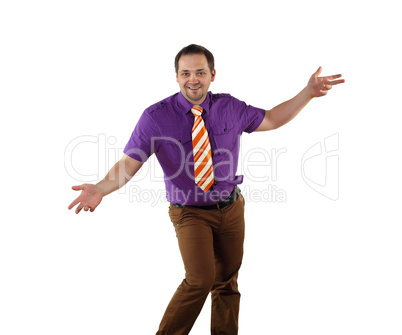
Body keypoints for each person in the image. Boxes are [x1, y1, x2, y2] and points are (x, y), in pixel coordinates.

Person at [68, 44, 344, 334]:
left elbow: (272, 118)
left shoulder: (230, 107)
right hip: (189, 213)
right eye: (186, 73)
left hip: (231, 207)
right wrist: (100, 188)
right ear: (176, 76)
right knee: (200, 279)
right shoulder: (156, 117)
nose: (193, 79)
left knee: (227, 280)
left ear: (212, 74)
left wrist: (308, 93)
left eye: (200, 72)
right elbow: (129, 163)